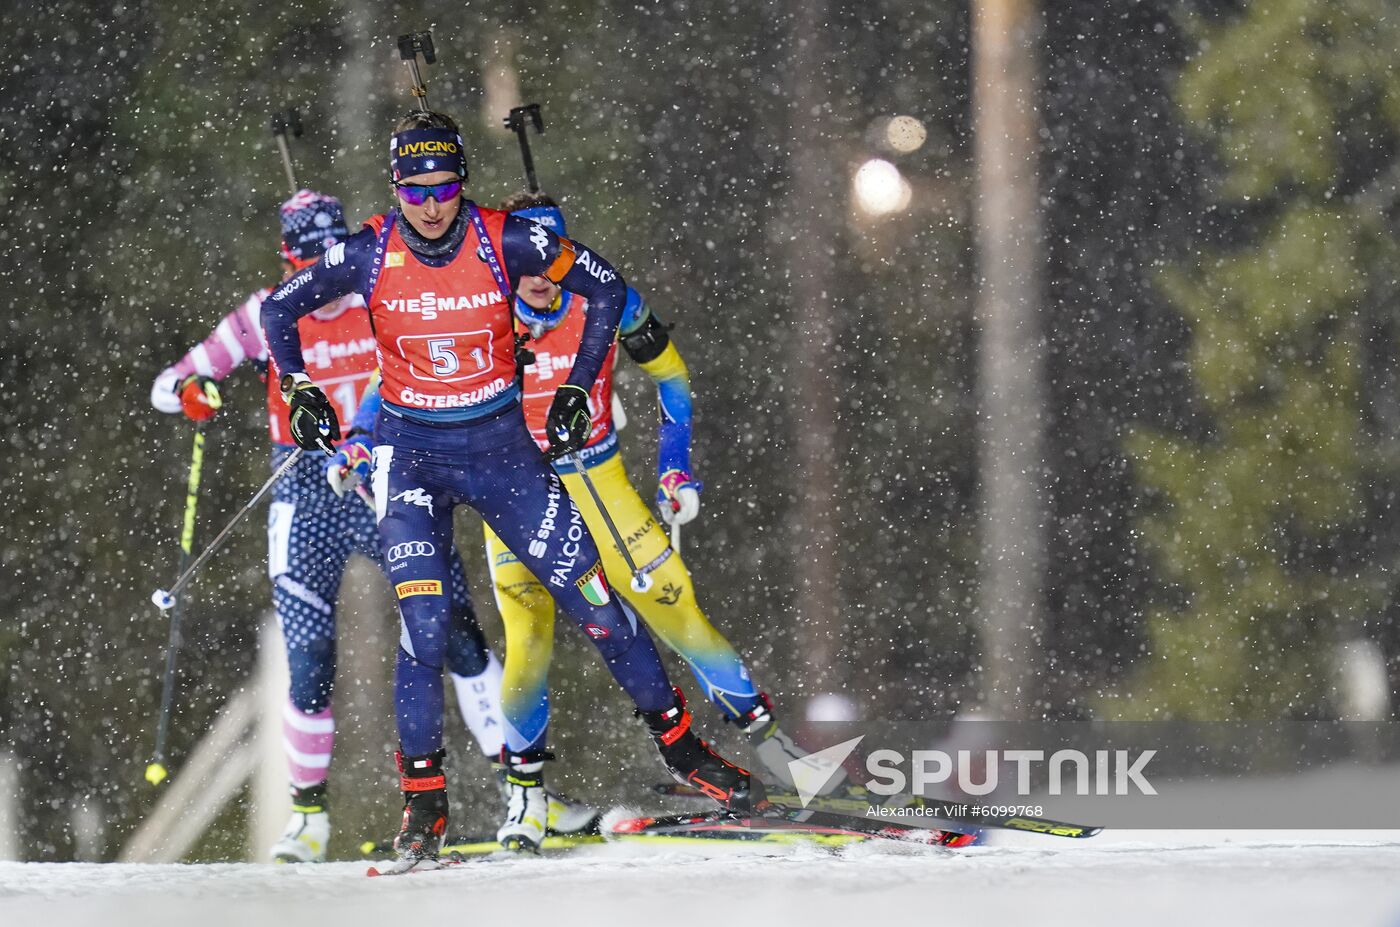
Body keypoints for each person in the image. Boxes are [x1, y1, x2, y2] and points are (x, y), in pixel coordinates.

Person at [259, 110, 751, 865]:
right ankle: (424, 805)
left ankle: (687, 753)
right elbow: (278, 308)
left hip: (500, 451)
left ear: (463, 181)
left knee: (594, 601)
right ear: (396, 187)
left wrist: (580, 385)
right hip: (410, 455)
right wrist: (297, 386)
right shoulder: (367, 252)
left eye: (445, 184)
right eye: (414, 188)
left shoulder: (505, 237)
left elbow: (608, 289)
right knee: (425, 628)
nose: (430, 203)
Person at [339, 192, 843, 825]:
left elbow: (673, 378)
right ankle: (526, 801)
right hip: (515, 486)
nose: (539, 281)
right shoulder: (479, 301)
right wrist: (359, 442)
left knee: (673, 606)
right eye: (527, 264)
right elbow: (395, 379)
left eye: (552, 265)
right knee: (526, 643)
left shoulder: (605, 305)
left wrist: (674, 465)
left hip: (598, 485)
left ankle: (777, 756)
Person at [151, 189, 506, 862]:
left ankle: (523, 790)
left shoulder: (381, 294)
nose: (319, 279)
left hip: (384, 481)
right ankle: (307, 818)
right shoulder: (264, 314)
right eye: (304, 263)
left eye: (330, 260)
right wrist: (195, 392)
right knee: (310, 659)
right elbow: (168, 384)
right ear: (286, 260)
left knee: (455, 632)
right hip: (304, 494)